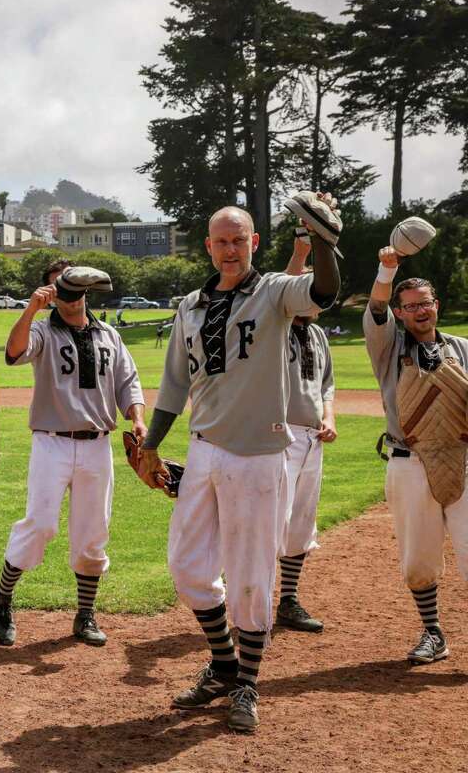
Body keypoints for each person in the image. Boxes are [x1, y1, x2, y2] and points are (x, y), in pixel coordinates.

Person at [136, 205, 340, 732]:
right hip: (204, 448)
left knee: (252, 578)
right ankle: (225, 664)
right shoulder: (191, 305)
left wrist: (322, 240)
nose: (230, 249)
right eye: (221, 241)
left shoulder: (274, 291)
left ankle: (245, 683)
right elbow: (175, 385)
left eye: (240, 240)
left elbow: (322, 293)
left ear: (253, 243)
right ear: (208, 246)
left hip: (259, 453)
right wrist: (152, 445)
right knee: (187, 567)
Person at [0, 259, 145, 649]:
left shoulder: (108, 334)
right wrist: (30, 309)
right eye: (60, 289)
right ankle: (4, 598)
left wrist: (137, 419)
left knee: (93, 532)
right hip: (52, 442)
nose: (70, 297)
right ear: (51, 295)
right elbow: (14, 352)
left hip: (97, 445)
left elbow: (128, 381)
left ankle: (85, 614)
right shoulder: (43, 330)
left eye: (75, 289)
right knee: (40, 525)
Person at [365, 244, 468, 665]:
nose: (420, 311)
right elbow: (374, 309)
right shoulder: (388, 349)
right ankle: (433, 632)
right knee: (419, 558)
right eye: (410, 306)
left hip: (463, 458)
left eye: (425, 303)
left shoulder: (462, 348)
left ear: (436, 306)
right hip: (409, 462)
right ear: (401, 314)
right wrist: (386, 271)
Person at [276, 238, 338, 632]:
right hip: (278, 438)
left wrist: (329, 418)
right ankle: (256, 602)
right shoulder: (275, 326)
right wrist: (301, 250)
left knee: (301, 522)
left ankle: (288, 600)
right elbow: (281, 288)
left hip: (313, 439)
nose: (319, 301)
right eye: (313, 294)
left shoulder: (317, 336)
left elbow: (326, 385)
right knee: (270, 521)